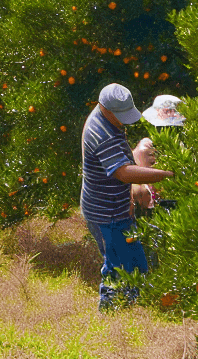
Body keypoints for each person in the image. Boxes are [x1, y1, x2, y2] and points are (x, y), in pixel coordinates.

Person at [80, 83, 174, 309]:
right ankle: (110, 313)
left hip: (117, 207)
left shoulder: (106, 118)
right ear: (105, 109)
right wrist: (166, 174)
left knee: (135, 262)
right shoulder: (101, 133)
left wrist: (128, 199)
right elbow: (123, 172)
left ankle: (134, 306)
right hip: (105, 213)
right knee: (116, 265)